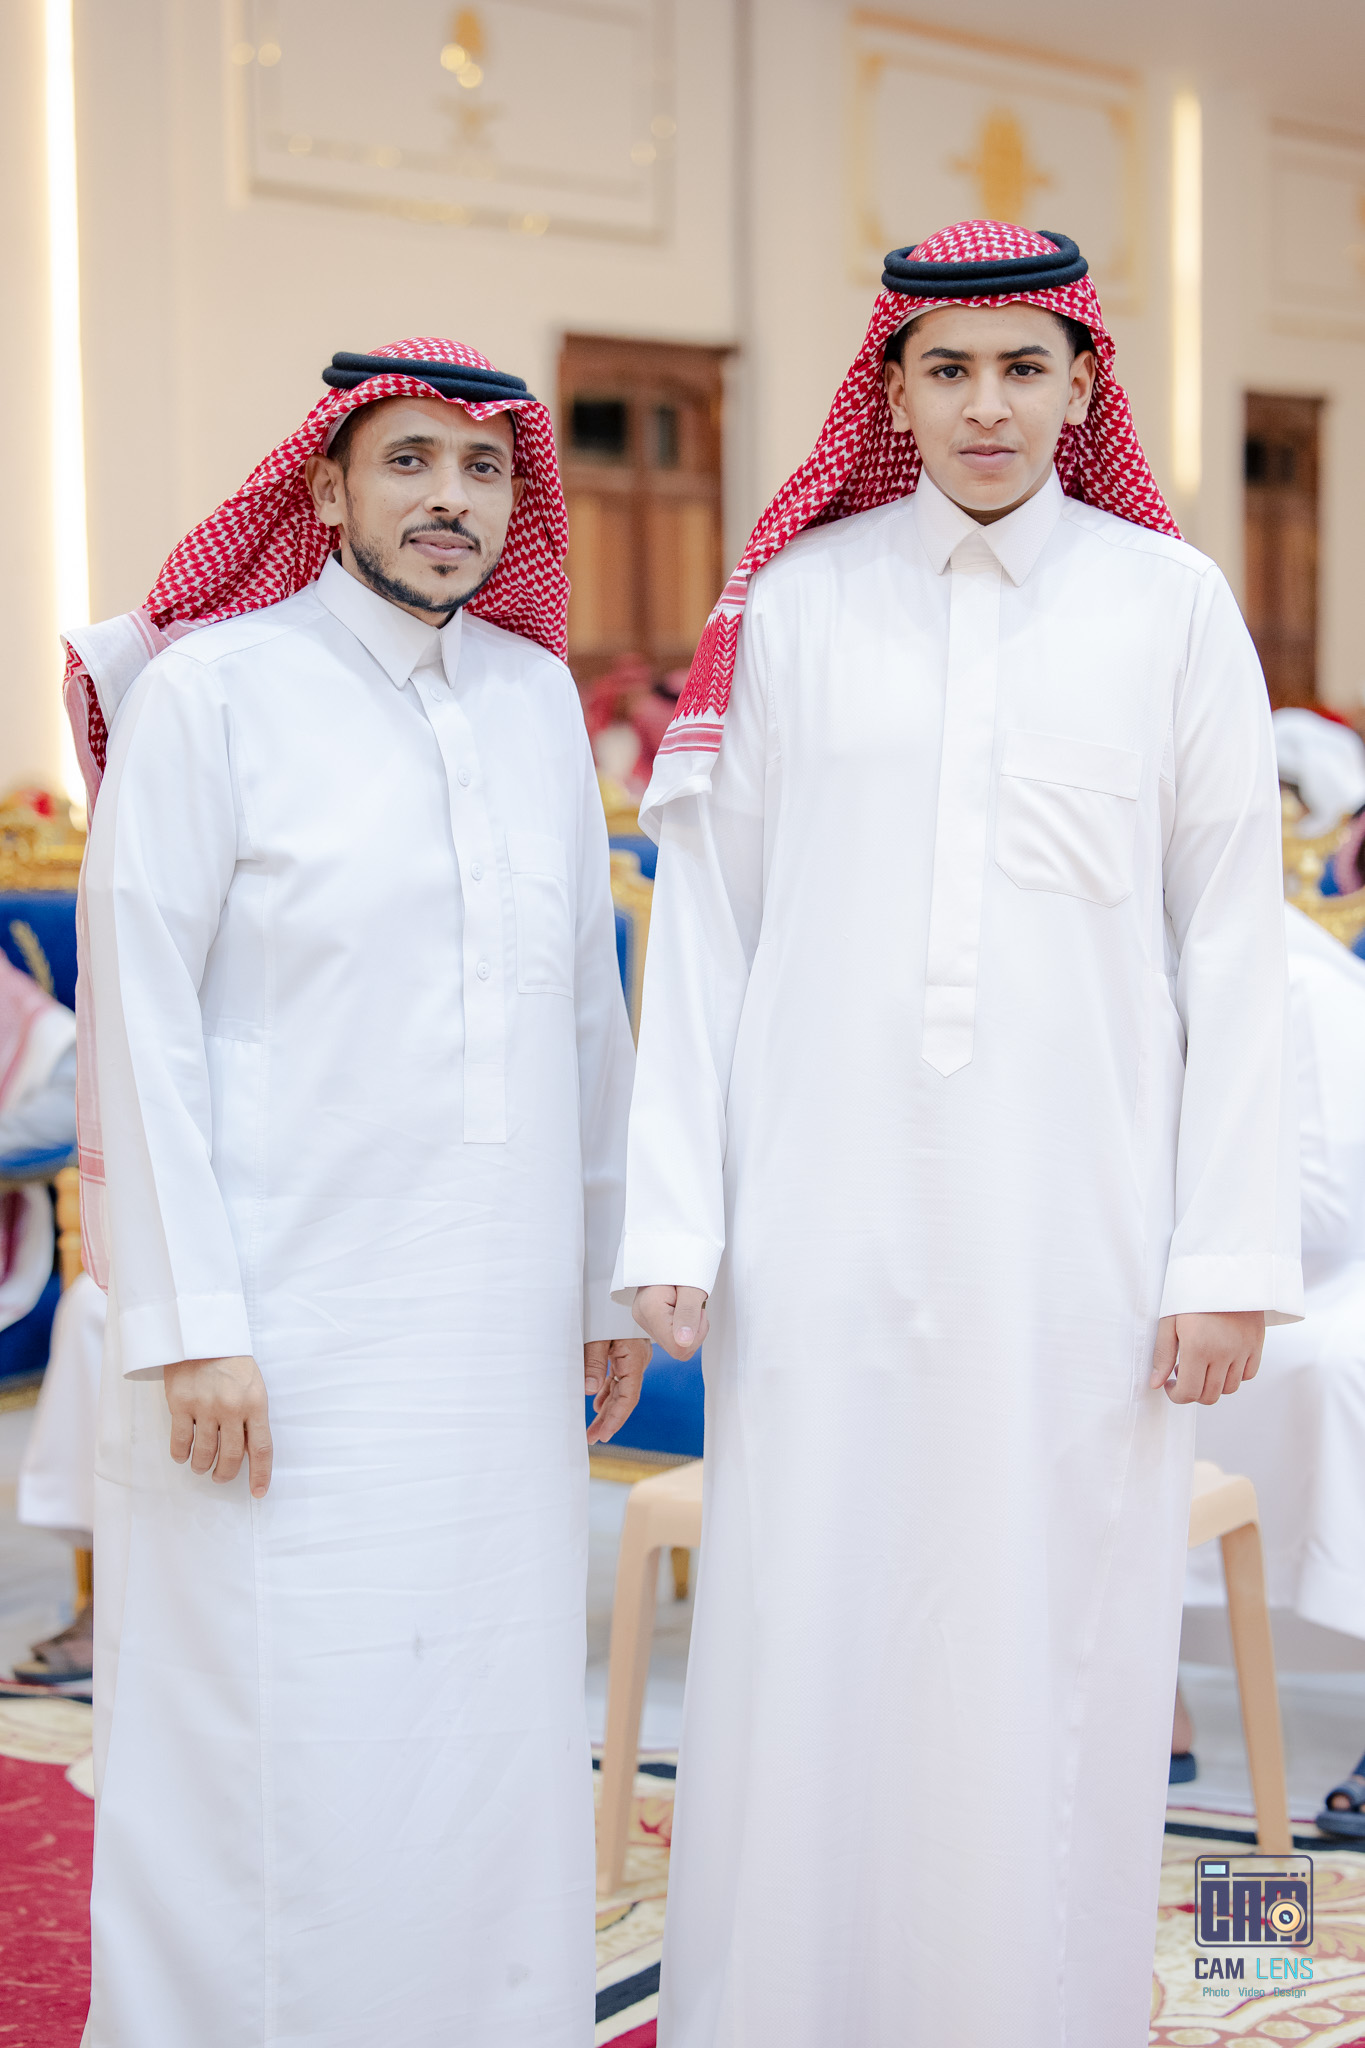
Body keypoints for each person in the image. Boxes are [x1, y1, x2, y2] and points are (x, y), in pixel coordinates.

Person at [616, 223, 1300, 2048]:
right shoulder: (794, 603)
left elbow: (1236, 949)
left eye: (1020, 367)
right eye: (946, 369)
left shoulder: (1171, 607)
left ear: (1080, 385)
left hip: (1078, 1234)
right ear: (894, 388)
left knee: (1048, 1639)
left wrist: (1224, 1255)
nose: (984, 404)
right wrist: (673, 1219)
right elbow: (707, 930)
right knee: (808, 1623)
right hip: (814, 1221)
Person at [64, 339, 649, 2048]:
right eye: (408, 462)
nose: (448, 500)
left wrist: (602, 1280)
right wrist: (191, 1323)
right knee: (270, 1731)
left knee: (478, 1721)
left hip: (491, 1336)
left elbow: (582, 1010)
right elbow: (140, 1023)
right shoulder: (213, 692)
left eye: (482, 470)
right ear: (325, 486)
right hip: (276, 1330)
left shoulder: (533, 700)